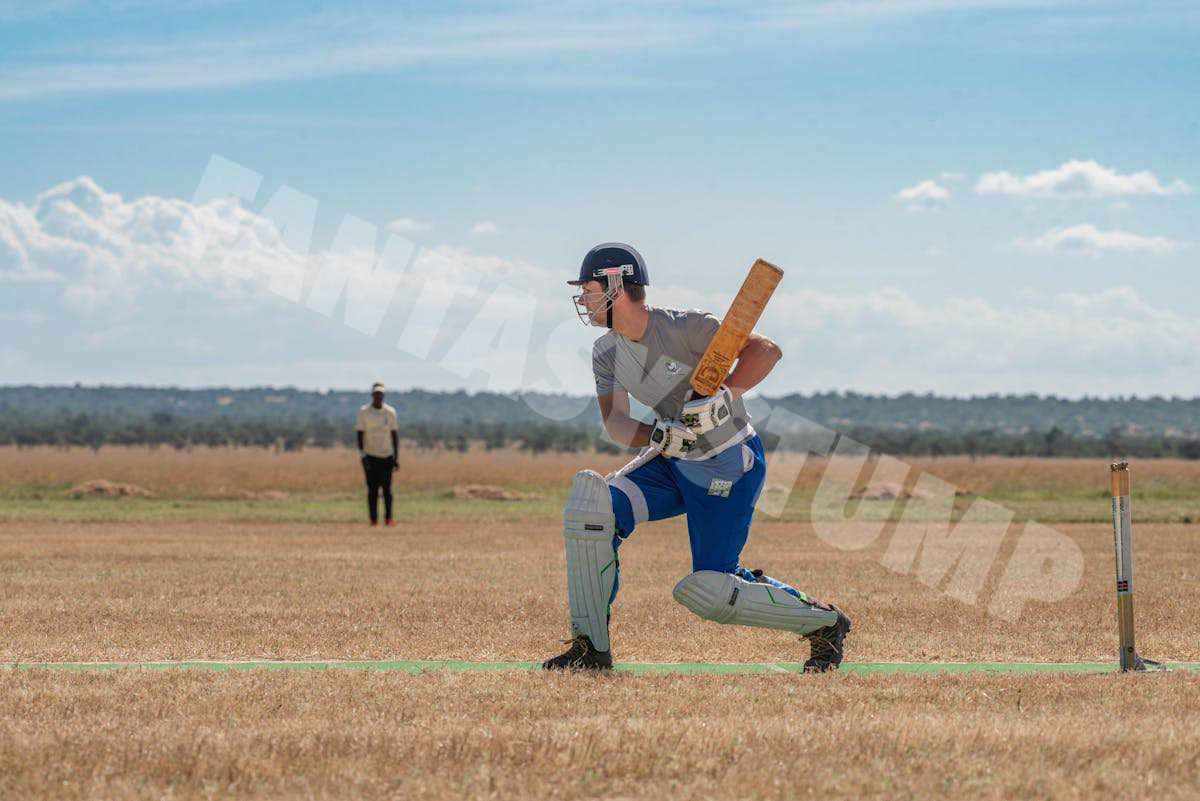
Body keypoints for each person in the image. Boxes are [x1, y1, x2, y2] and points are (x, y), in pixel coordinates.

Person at [543, 243, 851, 672]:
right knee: (591, 510)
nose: (584, 299)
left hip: (729, 461)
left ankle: (825, 623)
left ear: (617, 283)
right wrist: (660, 436)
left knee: (710, 588)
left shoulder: (686, 327)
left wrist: (725, 396)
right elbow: (616, 422)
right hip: (672, 462)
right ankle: (590, 650)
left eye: (590, 288)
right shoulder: (606, 352)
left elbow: (766, 351)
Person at [355, 382, 399, 527]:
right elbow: (360, 435)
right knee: (372, 490)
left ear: (383, 395)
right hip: (370, 455)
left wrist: (396, 457)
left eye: (381, 394)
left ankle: (388, 518)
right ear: (372, 395)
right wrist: (362, 455)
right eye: (376, 394)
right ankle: (373, 520)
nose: (378, 397)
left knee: (387, 490)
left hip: (387, 455)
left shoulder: (390, 412)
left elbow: (394, 435)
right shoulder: (364, 412)